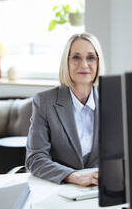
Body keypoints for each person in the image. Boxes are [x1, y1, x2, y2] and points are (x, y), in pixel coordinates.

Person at [25, 32, 105, 186]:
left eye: (90, 57)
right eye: (76, 57)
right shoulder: (44, 102)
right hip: (60, 187)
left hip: (100, 188)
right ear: (66, 62)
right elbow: (35, 159)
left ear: (98, 62)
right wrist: (74, 177)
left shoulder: (112, 99)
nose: (84, 64)